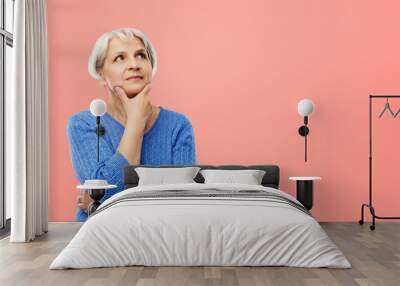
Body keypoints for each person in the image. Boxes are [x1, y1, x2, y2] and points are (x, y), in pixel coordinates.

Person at [67, 28, 197, 222]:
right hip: (99, 236)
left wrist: (97, 205)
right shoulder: (83, 124)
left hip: (163, 235)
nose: (134, 64)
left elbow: (180, 202)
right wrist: (136, 122)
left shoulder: (178, 126)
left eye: (141, 55)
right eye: (120, 58)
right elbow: (107, 189)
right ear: (101, 73)